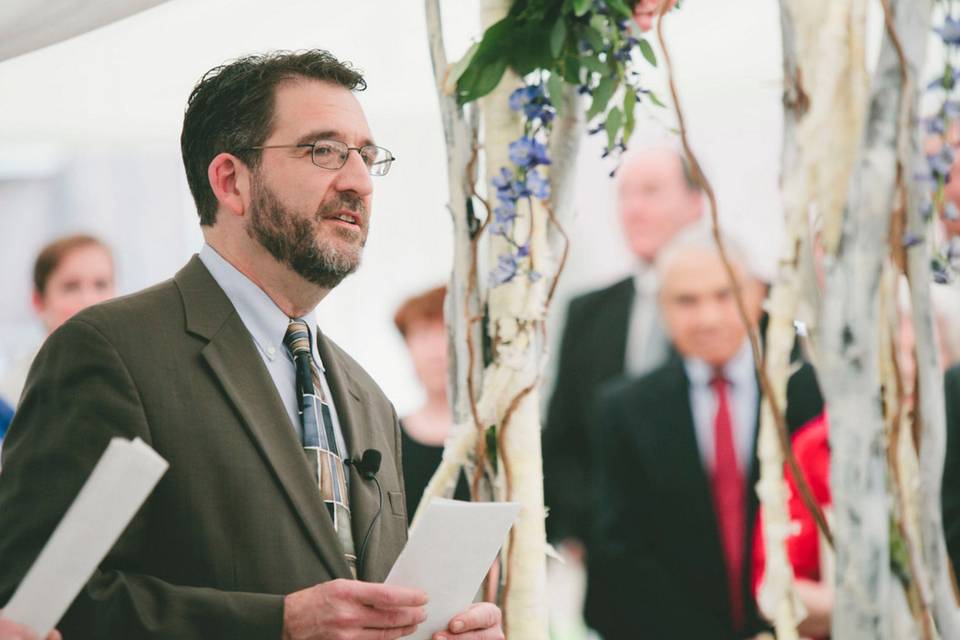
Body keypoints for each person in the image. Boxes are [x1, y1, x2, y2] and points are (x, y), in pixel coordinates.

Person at [0, 50, 501, 640]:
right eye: (324, 150)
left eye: (366, 156)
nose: (359, 181)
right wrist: (276, 625)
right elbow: (31, 604)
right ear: (231, 181)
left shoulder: (368, 399)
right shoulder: (110, 353)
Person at [592, 229, 823, 640]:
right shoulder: (624, 409)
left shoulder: (813, 394)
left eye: (724, 295)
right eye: (687, 301)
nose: (708, 318)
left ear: (756, 297)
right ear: (662, 307)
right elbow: (620, 553)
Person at [540, 144, 703, 629]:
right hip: (615, 583)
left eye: (652, 192)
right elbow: (563, 437)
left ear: (697, 204)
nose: (634, 208)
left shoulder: (743, 308)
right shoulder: (589, 313)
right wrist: (585, 528)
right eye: (625, 195)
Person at [0, 234, 115, 411]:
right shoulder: (11, 398)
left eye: (100, 285)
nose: (89, 299)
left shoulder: (136, 379)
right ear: (38, 301)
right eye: (71, 287)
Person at [393, 286, 469, 520]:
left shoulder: (501, 438)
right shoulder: (386, 437)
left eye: (446, 332)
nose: (436, 350)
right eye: (424, 334)